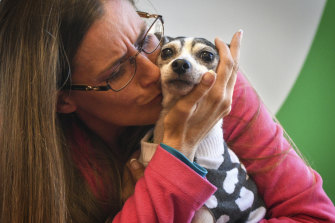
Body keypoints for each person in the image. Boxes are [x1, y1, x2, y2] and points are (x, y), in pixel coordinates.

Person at [0, 0, 334, 222]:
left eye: (146, 39)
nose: (154, 72)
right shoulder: (34, 168)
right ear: (62, 100)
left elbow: (314, 215)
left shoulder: (207, 78)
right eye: (117, 71)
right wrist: (178, 148)